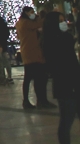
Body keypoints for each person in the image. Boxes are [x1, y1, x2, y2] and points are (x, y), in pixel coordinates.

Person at [42, 10, 80, 144]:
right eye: (60, 21)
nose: (64, 23)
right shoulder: (55, 40)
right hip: (67, 86)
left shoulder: (60, 38)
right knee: (66, 120)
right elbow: (63, 65)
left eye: (63, 20)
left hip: (72, 84)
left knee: (67, 119)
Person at [17, 6, 54, 109]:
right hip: (32, 53)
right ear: (26, 13)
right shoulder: (26, 23)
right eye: (31, 12)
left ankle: (38, 100)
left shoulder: (20, 23)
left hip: (30, 53)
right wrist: (39, 17)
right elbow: (39, 24)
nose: (33, 14)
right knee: (35, 77)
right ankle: (38, 100)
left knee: (32, 77)